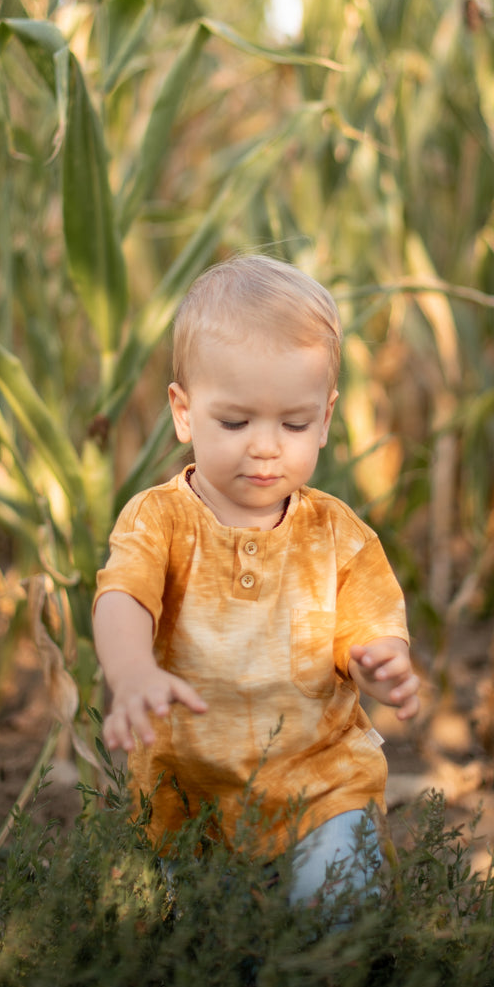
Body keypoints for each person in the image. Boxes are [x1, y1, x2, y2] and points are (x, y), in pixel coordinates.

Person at [92, 255, 419, 904]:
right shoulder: (160, 520)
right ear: (184, 413)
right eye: (235, 422)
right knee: (200, 934)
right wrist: (131, 673)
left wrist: (382, 662)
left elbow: (370, 622)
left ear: (324, 419)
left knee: (337, 899)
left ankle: (339, 952)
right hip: (189, 790)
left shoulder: (338, 535)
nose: (265, 446)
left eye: (293, 424)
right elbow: (123, 595)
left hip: (321, 782)